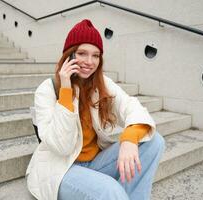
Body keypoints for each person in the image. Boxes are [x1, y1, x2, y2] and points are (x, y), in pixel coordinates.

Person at [26, 19, 165, 200]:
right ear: (69, 55)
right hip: (62, 169)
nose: (89, 62)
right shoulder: (47, 90)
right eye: (82, 53)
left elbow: (131, 106)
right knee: (110, 190)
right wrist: (66, 91)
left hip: (96, 163)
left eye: (96, 55)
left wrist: (130, 139)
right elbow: (61, 147)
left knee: (154, 141)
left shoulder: (102, 84)